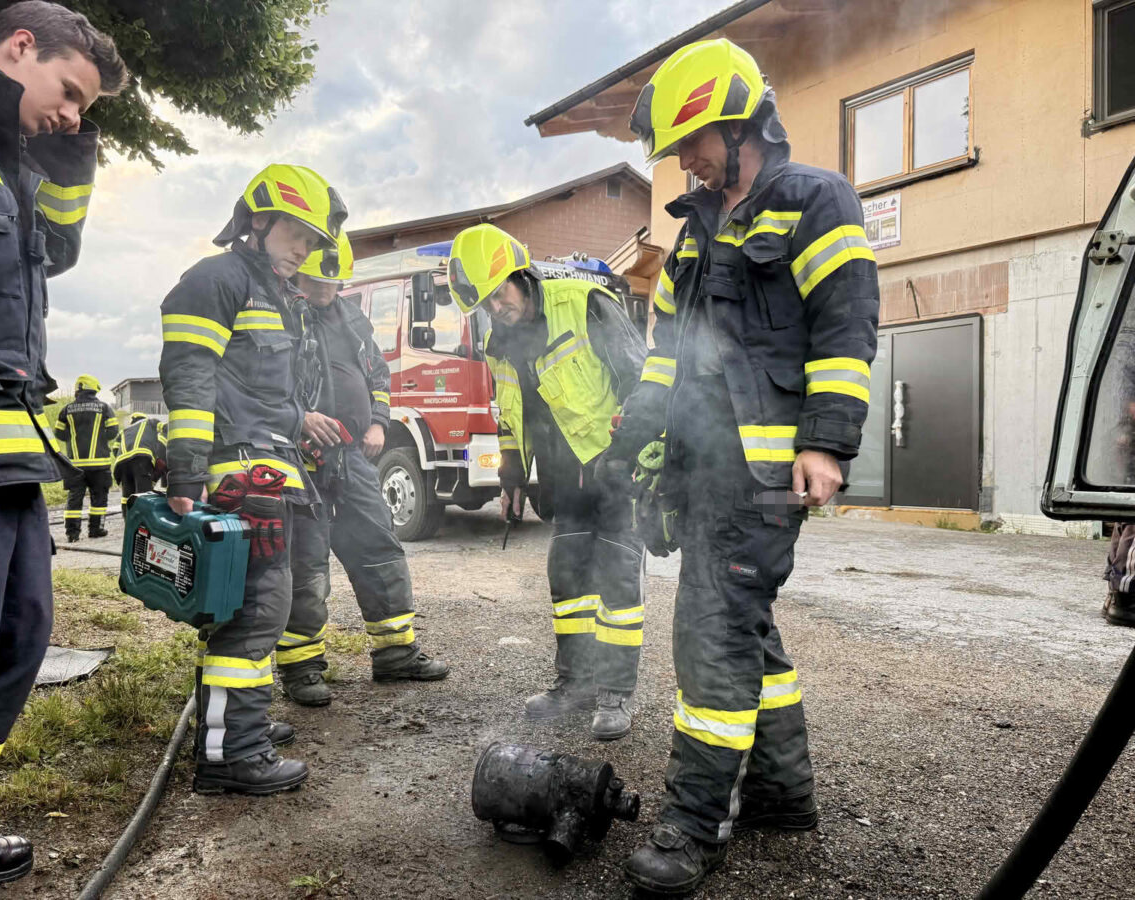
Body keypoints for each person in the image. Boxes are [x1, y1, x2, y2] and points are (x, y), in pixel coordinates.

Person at [617, 39, 880, 894]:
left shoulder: (815, 200)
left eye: (693, 146)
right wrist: (643, 447)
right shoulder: (692, 236)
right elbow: (667, 359)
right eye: (677, 154)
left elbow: (845, 331)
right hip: (700, 471)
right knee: (746, 624)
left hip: (764, 474)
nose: (684, 166)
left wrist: (828, 441)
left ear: (743, 126)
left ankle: (695, 823)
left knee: (713, 635)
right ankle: (780, 795)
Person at [0, 2, 126, 894]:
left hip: (10, 446)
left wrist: (65, 149)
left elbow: (56, 251)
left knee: (19, 638)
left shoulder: (6, 155)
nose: (74, 113)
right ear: (20, 46)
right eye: (70, 94)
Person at [159, 163, 346, 795]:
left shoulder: (277, 296)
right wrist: (187, 472)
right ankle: (230, 754)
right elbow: (189, 378)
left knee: (271, 605)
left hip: (276, 468)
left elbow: (266, 393)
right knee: (258, 607)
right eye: (297, 232)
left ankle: (240, 723)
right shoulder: (216, 281)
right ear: (258, 221)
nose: (305, 249)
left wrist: (301, 420)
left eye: (314, 241)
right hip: (238, 472)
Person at [447, 223, 648, 741]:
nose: (496, 309)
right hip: (563, 477)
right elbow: (510, 413)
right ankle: (575, 684)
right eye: (485, 305)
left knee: (617, 579)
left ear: (522, 275)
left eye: (499, 295)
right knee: (569, 578)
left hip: (615, 466)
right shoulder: (500, 344)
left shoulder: (583, 302)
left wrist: (632, 454)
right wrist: (512, 469)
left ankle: (614, 693)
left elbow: (641, 380)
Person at [282, 236, 449, 706]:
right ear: (299, 273)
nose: (326, 289)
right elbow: (267, 380)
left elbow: (378, 374)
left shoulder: (351, 315)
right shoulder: (281, 312)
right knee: (306, 561)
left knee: (379, 544)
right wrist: (297, 421)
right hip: (301, 457)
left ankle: (395, 654)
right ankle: (301, 667)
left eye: (334, 281)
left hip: (352, 454)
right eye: (319, 280)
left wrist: (378, 422)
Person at [53, 373, 118, 539]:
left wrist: (73, 438)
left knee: (74, 499)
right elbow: (113, 433)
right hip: (99, 464)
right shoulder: (104, 408)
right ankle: (95, 530)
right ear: (94, 389)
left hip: (74, 465)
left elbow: (59, 434)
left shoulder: (66, 410)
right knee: (99, 498)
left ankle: (72, 534)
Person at [112, 412, 166, 516]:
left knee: (126, 496)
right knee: (143, 493)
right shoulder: (151, 422)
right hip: (141, 459)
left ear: (132, 421)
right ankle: (144, 522)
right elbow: (166, 428)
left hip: (122, 462)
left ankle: (128, 522)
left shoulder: (124, 431)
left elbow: (115, 449)